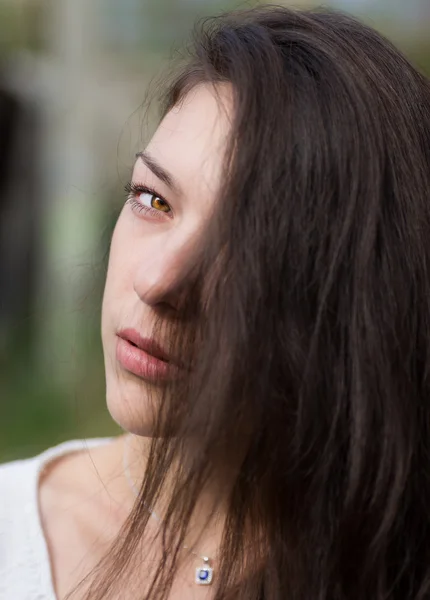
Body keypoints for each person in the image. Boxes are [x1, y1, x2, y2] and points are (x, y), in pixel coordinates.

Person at [1, 5, 430, 599]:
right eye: (152, 200)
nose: (157, 284)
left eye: (244, 246)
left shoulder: (392, 566)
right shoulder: (14, 538)